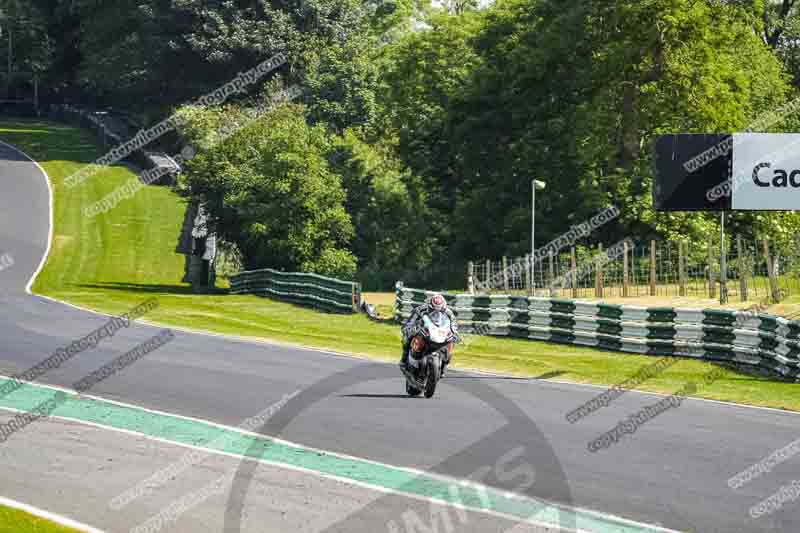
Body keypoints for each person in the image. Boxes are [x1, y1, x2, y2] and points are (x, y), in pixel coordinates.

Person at [400, 293, 459, 372]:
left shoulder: (449, 313)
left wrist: (454, 333)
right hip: (423, 329)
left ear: (444, 306)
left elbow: (454, 324)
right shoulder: (420, 309)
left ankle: (445, 364)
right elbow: (410, 322)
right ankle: (404, 360)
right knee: (407, 337)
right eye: (434, 309)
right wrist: (409, 329)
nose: (436, 311)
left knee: (451, 341)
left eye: (440, 309)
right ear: (430, 306)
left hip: (439, 331)